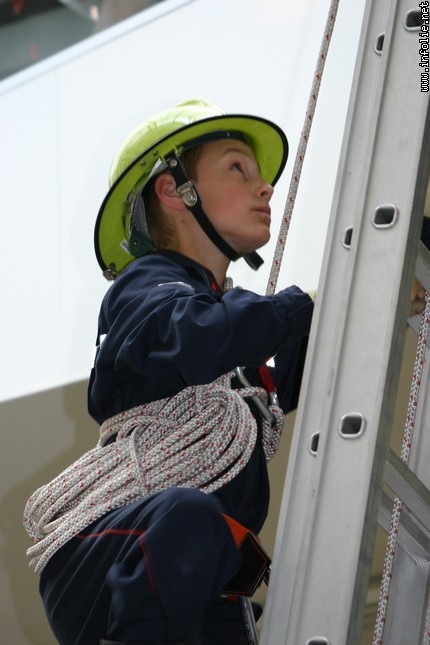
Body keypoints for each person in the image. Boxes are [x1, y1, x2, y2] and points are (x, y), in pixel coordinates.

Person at [24, 98, 314, 644]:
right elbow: (194, 334)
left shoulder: (228, 329)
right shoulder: (146, 288)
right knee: (191, 517)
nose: (265, 188)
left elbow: (304, 384)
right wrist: (292, 311)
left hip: (190, 571)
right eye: (238, 168)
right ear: (174, 190)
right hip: (112, 550)